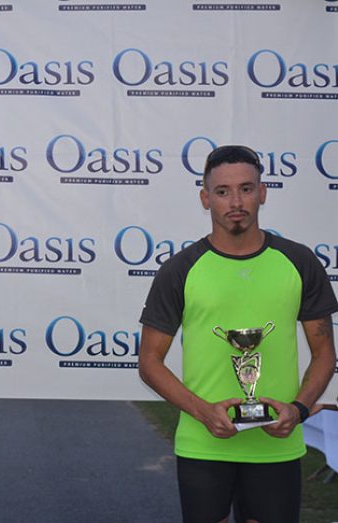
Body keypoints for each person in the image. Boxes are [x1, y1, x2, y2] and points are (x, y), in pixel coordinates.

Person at [138, 144, 337, 523]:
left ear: (262, 192)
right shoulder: (181, 269)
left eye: (246, 188)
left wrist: (297, 410)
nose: (236, 201)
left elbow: (324, 352)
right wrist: (203, 413)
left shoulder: (299, 262)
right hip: (204, 443)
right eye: (223, 191)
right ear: (205, 198)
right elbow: (149, 363)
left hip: (276, 446)